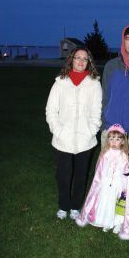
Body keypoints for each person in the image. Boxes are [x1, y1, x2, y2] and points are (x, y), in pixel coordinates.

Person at [46, 47, 102, 220]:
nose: (81, 61)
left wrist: (91, 130)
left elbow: (96, 111)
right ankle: (64, 205)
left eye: (84, 59)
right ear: (71, 60)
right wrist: (58, 130)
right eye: (78, 57)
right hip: (63, 138)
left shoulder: (94, 83)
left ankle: (76, 206)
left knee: (81, 174)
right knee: (63, 174)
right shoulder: (60, 82)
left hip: (86, 139)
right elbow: (51, 110)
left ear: (88, 62)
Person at [76, 124, 129, 240]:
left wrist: (124, 187)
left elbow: (126, 173)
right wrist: (100, 183)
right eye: (111, 139)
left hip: (118, 185)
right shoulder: (104, 155)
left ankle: (117, 222)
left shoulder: (125, 157)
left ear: (123, 141)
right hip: (105, 183)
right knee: (105, 202)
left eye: (117, 139)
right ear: (108, 140)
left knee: (116, 204)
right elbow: (99, 171)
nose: (114, 142)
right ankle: (105, 221)